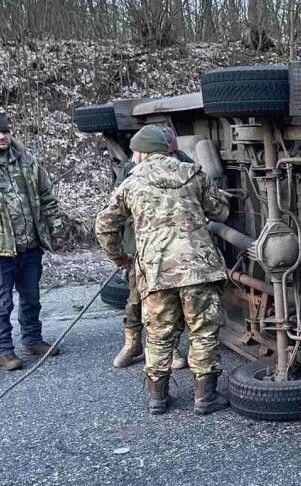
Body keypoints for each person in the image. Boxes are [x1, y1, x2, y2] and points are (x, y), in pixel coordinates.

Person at [95, 125, 230, 415]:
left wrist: (119, 257)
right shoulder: (193, 173)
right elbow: (220, 211)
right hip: (198, 268)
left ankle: (158, 399)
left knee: (158, 334)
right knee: (203, 331)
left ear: (142, 152)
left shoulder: (131, 183)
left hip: (156, 272)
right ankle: (205, 398)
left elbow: (104, 225)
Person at [0, 110, 64, 371]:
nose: (1, 136)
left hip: (30, 244)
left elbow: (47, 196)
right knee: (1, 302)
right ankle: (4, 350)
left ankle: (33, 340)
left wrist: (56, 229)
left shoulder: (26, 159)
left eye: (5, 131)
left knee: (31, 297)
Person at [110, 126, 192, 369]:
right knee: (136, 297)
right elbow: (115, 210)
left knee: (171, 301)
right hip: (140, 244)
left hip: (176, 246)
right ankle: (132, 343)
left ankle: (172, 348)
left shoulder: (185, 164)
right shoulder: (130, 170)